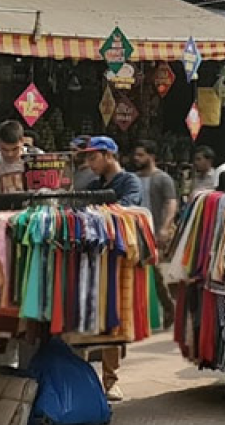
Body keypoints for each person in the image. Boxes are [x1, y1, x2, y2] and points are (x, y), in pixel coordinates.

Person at [80, 136, 142, 402]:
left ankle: (111, 379)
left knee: (114, 318)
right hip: (93, 256)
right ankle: (81, 377)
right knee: (88, 315)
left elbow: (127, 210)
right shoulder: (94, 185)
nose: (89, 163)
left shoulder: (129, 182)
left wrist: (97, 212)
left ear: (109, 155)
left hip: (118, 257)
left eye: (93, 157)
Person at [132, 140, 178, 329]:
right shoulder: (132, 178)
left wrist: (165, 227)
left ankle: (169, 308)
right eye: (136, 155)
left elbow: (171, 203)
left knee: (157, 272)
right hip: (136, 231)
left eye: (141, 155)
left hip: (154, 230)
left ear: (152, 156)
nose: (137, 158)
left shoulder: (162, 178)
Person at [0, 120, 28, 193]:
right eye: (4, 149)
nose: (9, 154)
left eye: (15, 149)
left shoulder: (37, 158)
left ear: (22, 141)